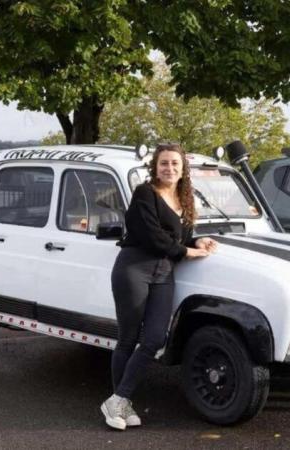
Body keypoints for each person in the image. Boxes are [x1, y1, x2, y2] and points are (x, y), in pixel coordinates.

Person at [101, 143, 218, 430]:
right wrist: (186, 252)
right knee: (128, 338)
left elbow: (178, 236)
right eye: (164, 163)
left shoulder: (184, 197)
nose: (169, 168)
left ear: (183, 169)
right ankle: (121, 403)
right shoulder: (145, 194)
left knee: (154, 338)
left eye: (175, 164)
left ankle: (117, 399)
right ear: (155, 166)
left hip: (164, 272)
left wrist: (196, 242)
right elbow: (152, 235)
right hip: (134, 268)